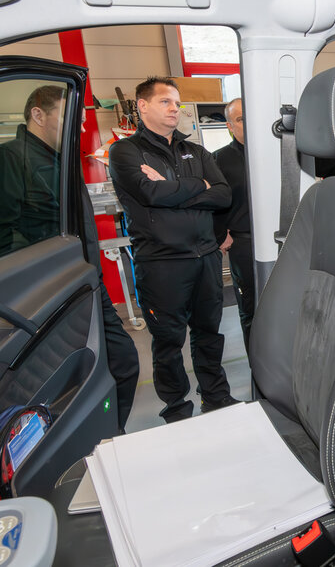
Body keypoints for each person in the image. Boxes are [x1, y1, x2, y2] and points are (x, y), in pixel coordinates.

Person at [0, 85, 140, 433]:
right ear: (38, 115)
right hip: (50, 293)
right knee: (63, 381)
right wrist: (45, 280)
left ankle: (111, 435)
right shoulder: (7, 159)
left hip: (85, 284)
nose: (80, 129)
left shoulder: (59, 163)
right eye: (72, 120)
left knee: (122, 361)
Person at [109, 77, 236, 423]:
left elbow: (224, 195)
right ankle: (176, 407)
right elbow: (149, 195)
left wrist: (173, 189)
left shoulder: (196, 151)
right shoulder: (126, 152)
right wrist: (199, 187)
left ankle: (215, 394)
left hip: (205, 258)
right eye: (166, 101)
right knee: (168, 341)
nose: (174, 109)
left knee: (210, 332)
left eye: (177, 103)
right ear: (143, 105)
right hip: (163, 263)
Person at [211, 98, 254, 352]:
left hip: (284, 239)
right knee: (251, 308)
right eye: (240, 119)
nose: (247, 124)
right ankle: (258, 369)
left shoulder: (280, 150)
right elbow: (214, 202)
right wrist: (221, 233)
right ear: (229, 126)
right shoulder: (218, 160)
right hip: (244, 243)